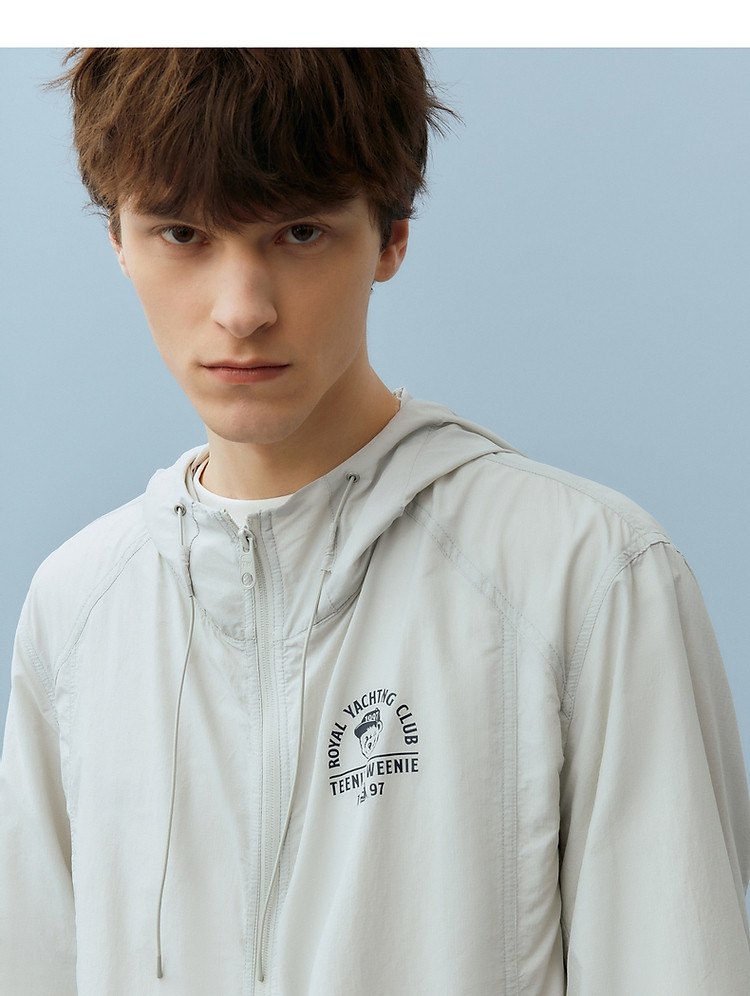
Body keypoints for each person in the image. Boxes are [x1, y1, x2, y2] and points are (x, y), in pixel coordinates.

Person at [0, 47, 748, 995]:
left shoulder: (587, 577)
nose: (241, 309)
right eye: (182, 233)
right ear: (117, 236)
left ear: (391, 236)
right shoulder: (77, 609)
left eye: (300, 232)